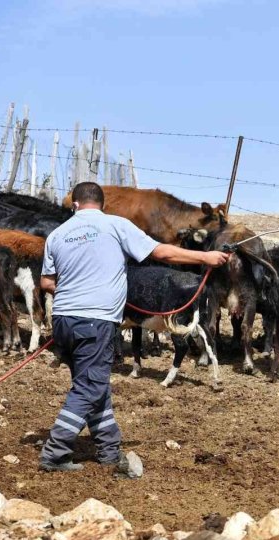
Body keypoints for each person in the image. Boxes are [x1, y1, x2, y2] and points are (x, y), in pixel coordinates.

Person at [38, 182, 229, 476]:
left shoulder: (57, 235)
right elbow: (162, 253)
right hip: (96, 321)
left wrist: (75, 290)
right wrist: (205, 257)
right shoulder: (115, 225)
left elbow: (47, 283)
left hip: (63, 321)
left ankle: (109, 450)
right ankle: (55, 451)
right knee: (88, 387)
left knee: (94, 385)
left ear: (75, 205)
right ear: (101, 204)